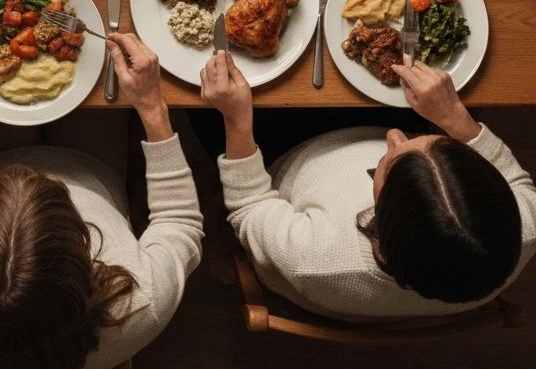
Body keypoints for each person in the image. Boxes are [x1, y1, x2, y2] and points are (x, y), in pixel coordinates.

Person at [0, 31, 203, 369]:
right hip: (93, 168)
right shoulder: (140, 303)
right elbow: (179, 222)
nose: (33, 171)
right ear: (83, 255)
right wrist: (152, 108)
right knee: (97, 69)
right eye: (58, 191)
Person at [199, 49, 536, 320]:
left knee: (202, 105)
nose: (395, 136)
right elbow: (518, 180)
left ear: (381, 222)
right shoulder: (526, 228)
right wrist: (455, 118)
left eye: (385, 165)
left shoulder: (313, 259)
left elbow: (249, 207)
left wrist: (236, 120)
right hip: (356, 137)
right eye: (438, 142)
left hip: (287, 151)